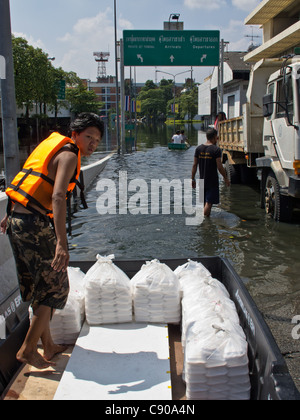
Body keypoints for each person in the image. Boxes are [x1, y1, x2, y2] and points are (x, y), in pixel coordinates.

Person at [0, 113, 104, 370]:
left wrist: (8, 214)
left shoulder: (56, 147)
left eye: (97, 139)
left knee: (40, 288)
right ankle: (26, 350)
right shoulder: (69, 155)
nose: (92, 143)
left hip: (18, 220)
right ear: (75, 134)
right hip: (34, 225)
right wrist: (61, 243)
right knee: (55, 288)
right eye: (88, 137)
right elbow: (57, 197)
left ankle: (47, 345)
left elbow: (26, 179)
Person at [192, 127, 230, 217]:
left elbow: (194, 165)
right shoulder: (216, 150)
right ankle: (204, 223)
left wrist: (192, 179)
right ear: (214, 137)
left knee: (204, 203)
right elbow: (220, 167)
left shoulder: (198, 149)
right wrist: (225, 178)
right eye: (217, 137)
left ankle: (204, 222)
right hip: (212, 181)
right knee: (209, 204)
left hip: (202, 180)